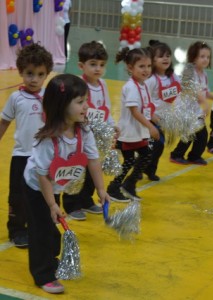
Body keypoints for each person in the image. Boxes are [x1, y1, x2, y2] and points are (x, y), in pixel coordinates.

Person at [23, 74, 110, 294]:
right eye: (80, 102)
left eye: (86, 101)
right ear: (62, 106)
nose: (86, 106)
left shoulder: (84, 131)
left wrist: (101, 189)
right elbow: (42, 176)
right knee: (42, 230)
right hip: (36, 188)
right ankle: (43, 274)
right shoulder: (48, 139)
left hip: (55, 186)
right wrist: (52, 205)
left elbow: (93, 160)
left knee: (51, 231)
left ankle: (50, 260)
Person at [0, 43, 53, 248]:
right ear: (21, 72)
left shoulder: (50, 96)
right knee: (18, 195)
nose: (34, 79)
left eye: (40, 74)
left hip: (44, 156)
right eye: (29, 73)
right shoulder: (16, 98)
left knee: (41, 193)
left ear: (47, 74)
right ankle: (16, 229)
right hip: (22, 155)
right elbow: (4, 122)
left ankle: (36, 225)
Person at [62, 41, 122, 220]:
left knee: (92, 168)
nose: (98, 69)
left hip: (97, 136)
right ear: (81, 65)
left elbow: (105, 108)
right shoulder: (79, 85)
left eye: (102, 65)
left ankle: (86, 199)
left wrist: (112, 125)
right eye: (93, 64)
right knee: (77, 169)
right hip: (81, 133)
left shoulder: (103, 84)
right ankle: (71, 204)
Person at [106, 47, 160, 201]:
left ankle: (129, 184)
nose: (146, 70)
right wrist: (150, 126)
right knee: (130, 160)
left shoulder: (143, 85)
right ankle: (113, 188)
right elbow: (135, 111)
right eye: (141, 66)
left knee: (146, 155)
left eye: (149, 66)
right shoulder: (131, 87)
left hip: (139, 131)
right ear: (130, 68)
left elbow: (145, 107)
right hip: (129, 132)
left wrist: (154, 118)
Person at [170, 41, 213, 165]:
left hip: (195, 110)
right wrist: (205, 104)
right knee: (191, 133)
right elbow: (195, 91)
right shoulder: (189, 72)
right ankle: (176, 155)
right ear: (193, 57)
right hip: (185, 109)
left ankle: (194, 156)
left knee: (201, 136)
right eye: (202, 56)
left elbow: (205, 91)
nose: (205, 59)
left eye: (208, 57)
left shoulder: (204, 74)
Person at [142, 40, 181, 181]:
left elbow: (180, 91)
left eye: (168, 56)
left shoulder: (172, 77)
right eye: (160, 56)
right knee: (151, 145)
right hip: (150, 119)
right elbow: (144, 101)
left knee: (158, 147)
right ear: (152, 60)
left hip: (163, 119)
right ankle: (140, 167)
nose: (165, 59)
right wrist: (151, 117)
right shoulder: (151, 79)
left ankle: (149, 169)